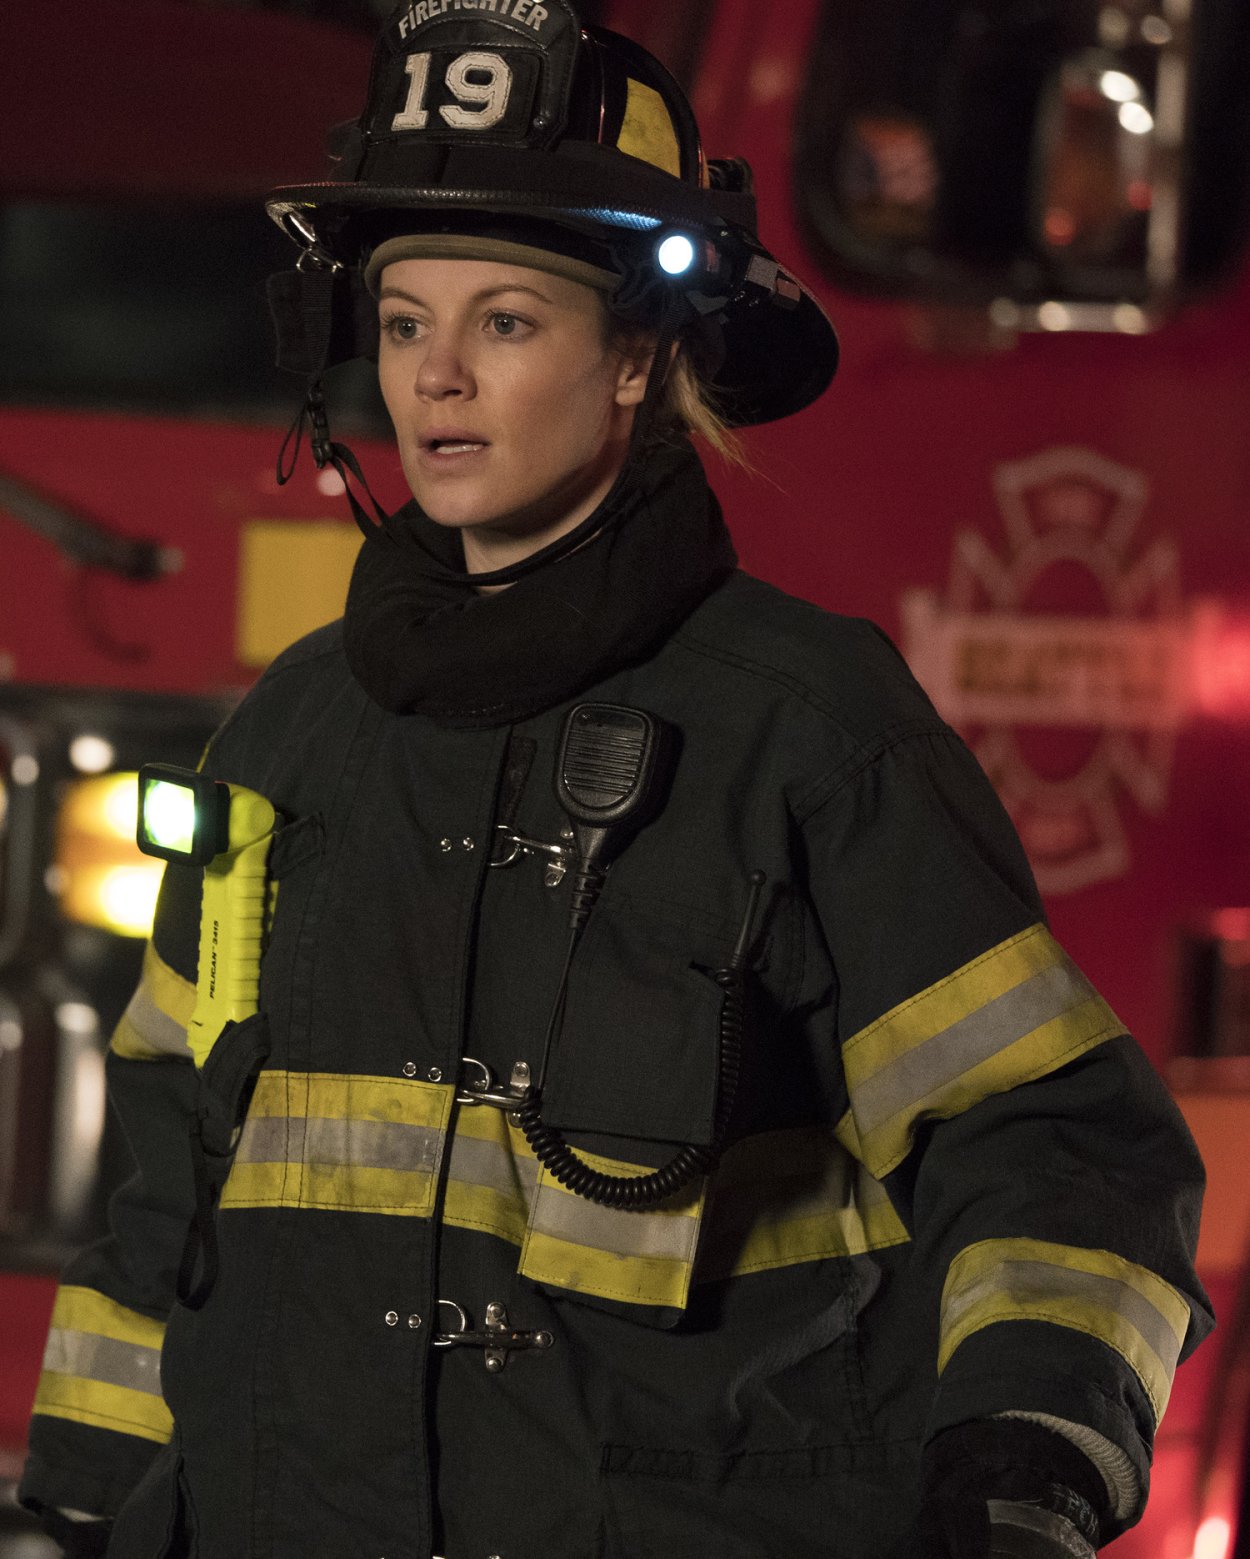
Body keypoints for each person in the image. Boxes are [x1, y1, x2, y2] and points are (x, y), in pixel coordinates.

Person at [20, 4, 1211, 1557]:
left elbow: (1054, 1146)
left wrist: (1021, 1470)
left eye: (507, 323)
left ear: (637, 355)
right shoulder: (290, 737)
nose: (438, 378)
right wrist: (81, 1508)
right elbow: (169, 1182)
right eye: (402, 324)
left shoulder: (806, 730)